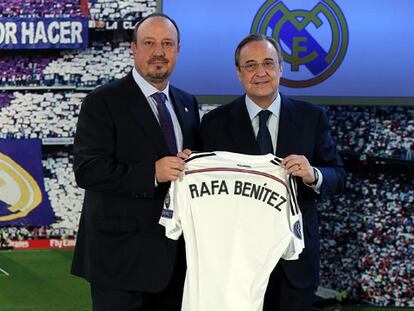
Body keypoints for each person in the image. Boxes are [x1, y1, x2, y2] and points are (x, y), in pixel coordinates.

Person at [199, 33, 345, 311]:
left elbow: (338, 177)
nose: (260, 72)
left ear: (281, 68)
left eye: (268, 63)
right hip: (238, 261)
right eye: (250, 65)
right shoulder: (214, 123)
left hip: (296, 258)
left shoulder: (312, 117)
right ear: (239, 73)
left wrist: (313, 173)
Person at [71, 13, 200, 311]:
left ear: (178, 50)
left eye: (167, 43)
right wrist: (151, 173)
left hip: (175, 259)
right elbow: (87, 170)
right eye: (150, 43)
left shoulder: (187, 102)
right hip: (119, 261)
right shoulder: (102, 101)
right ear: (134, 48)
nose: (159, 51)